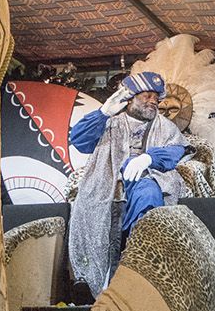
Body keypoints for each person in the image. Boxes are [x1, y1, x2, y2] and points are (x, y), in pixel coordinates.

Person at [67, 71, 193, 297]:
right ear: (129, 98)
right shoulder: (110, 122)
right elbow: (79, 140)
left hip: (148, 184)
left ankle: (143, 269)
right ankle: (91, 285)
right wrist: (103, 113)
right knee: (87, 215)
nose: (153, 101)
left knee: (147, 195)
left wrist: (149, 158)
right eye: (146, 96)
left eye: (156, 97)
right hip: (106, 188)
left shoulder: (165, 126)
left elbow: (177, 150)